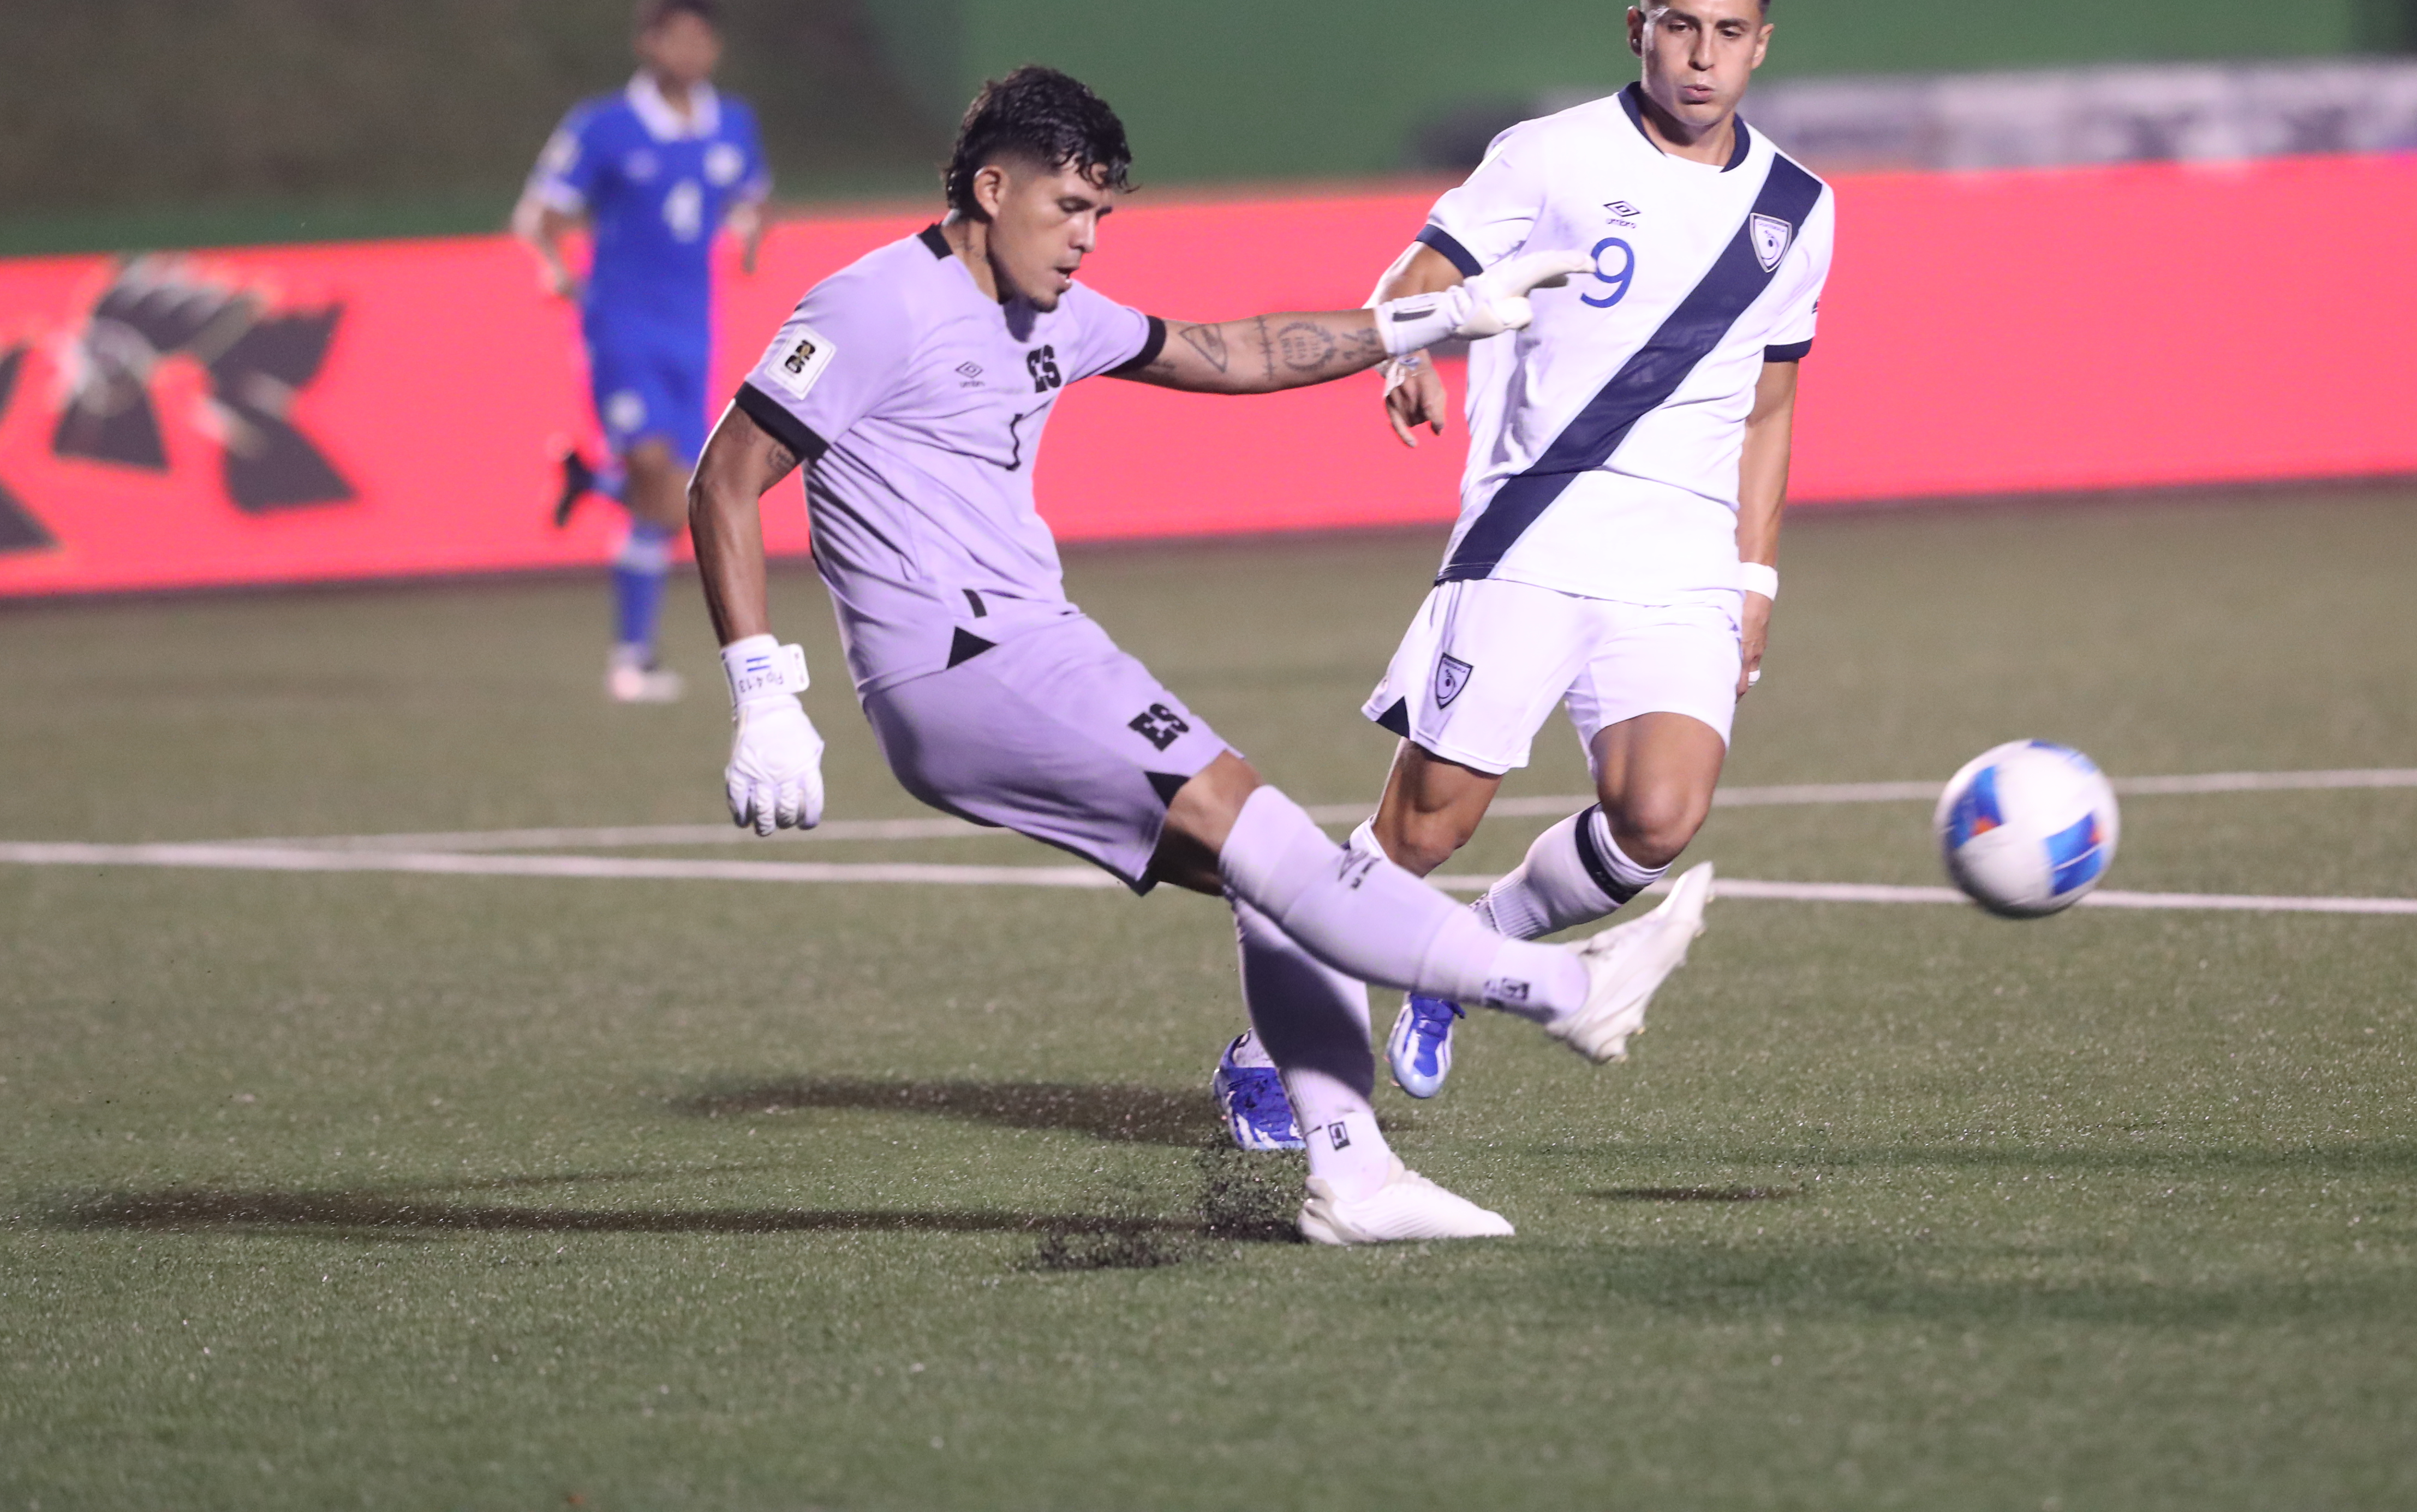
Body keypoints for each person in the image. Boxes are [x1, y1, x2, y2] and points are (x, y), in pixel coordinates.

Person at [685, 64, 1715, 1246]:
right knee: (1279, 844)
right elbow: (727, 476)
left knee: (1274, 890)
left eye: (1100, 215)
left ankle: (1353, 1177)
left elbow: (1236, 353)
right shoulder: (872, 306)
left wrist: (1433, 319)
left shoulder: (1056, 316)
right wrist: (763, 692)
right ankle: (1566, 991)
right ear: (990, 184)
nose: (1085, 238)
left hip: (1026, 651)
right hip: (971, 659)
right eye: (1067, 208)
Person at [1210, 0, 1830, 1145]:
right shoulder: (1548, 156)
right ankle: (1265, 1051)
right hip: (1532, 533)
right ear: (1638, 26)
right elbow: (1425, 264)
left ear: (1762, 45)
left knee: (1660, 817)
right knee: (1427, 823)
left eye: (1727, 32)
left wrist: (1755, 572)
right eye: (1679, 25)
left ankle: (1479, 952)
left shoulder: (1797, 210)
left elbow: (1772, 401)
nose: (1701, 56)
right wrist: (1410, 345)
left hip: (1683, 560)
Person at [514, 0, 773, 702]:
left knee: (674, 499)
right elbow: (540, 213)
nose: (691, 53)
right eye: (676, 39)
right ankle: (632, 659)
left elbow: (752, 197)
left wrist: (750, 233)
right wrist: (557, 268)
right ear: (649, 44)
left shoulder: (734, 125)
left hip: (693, 332)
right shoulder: (605, 127)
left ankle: (587, 484)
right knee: (655, 471)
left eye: (702, 40)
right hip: (620, 325)